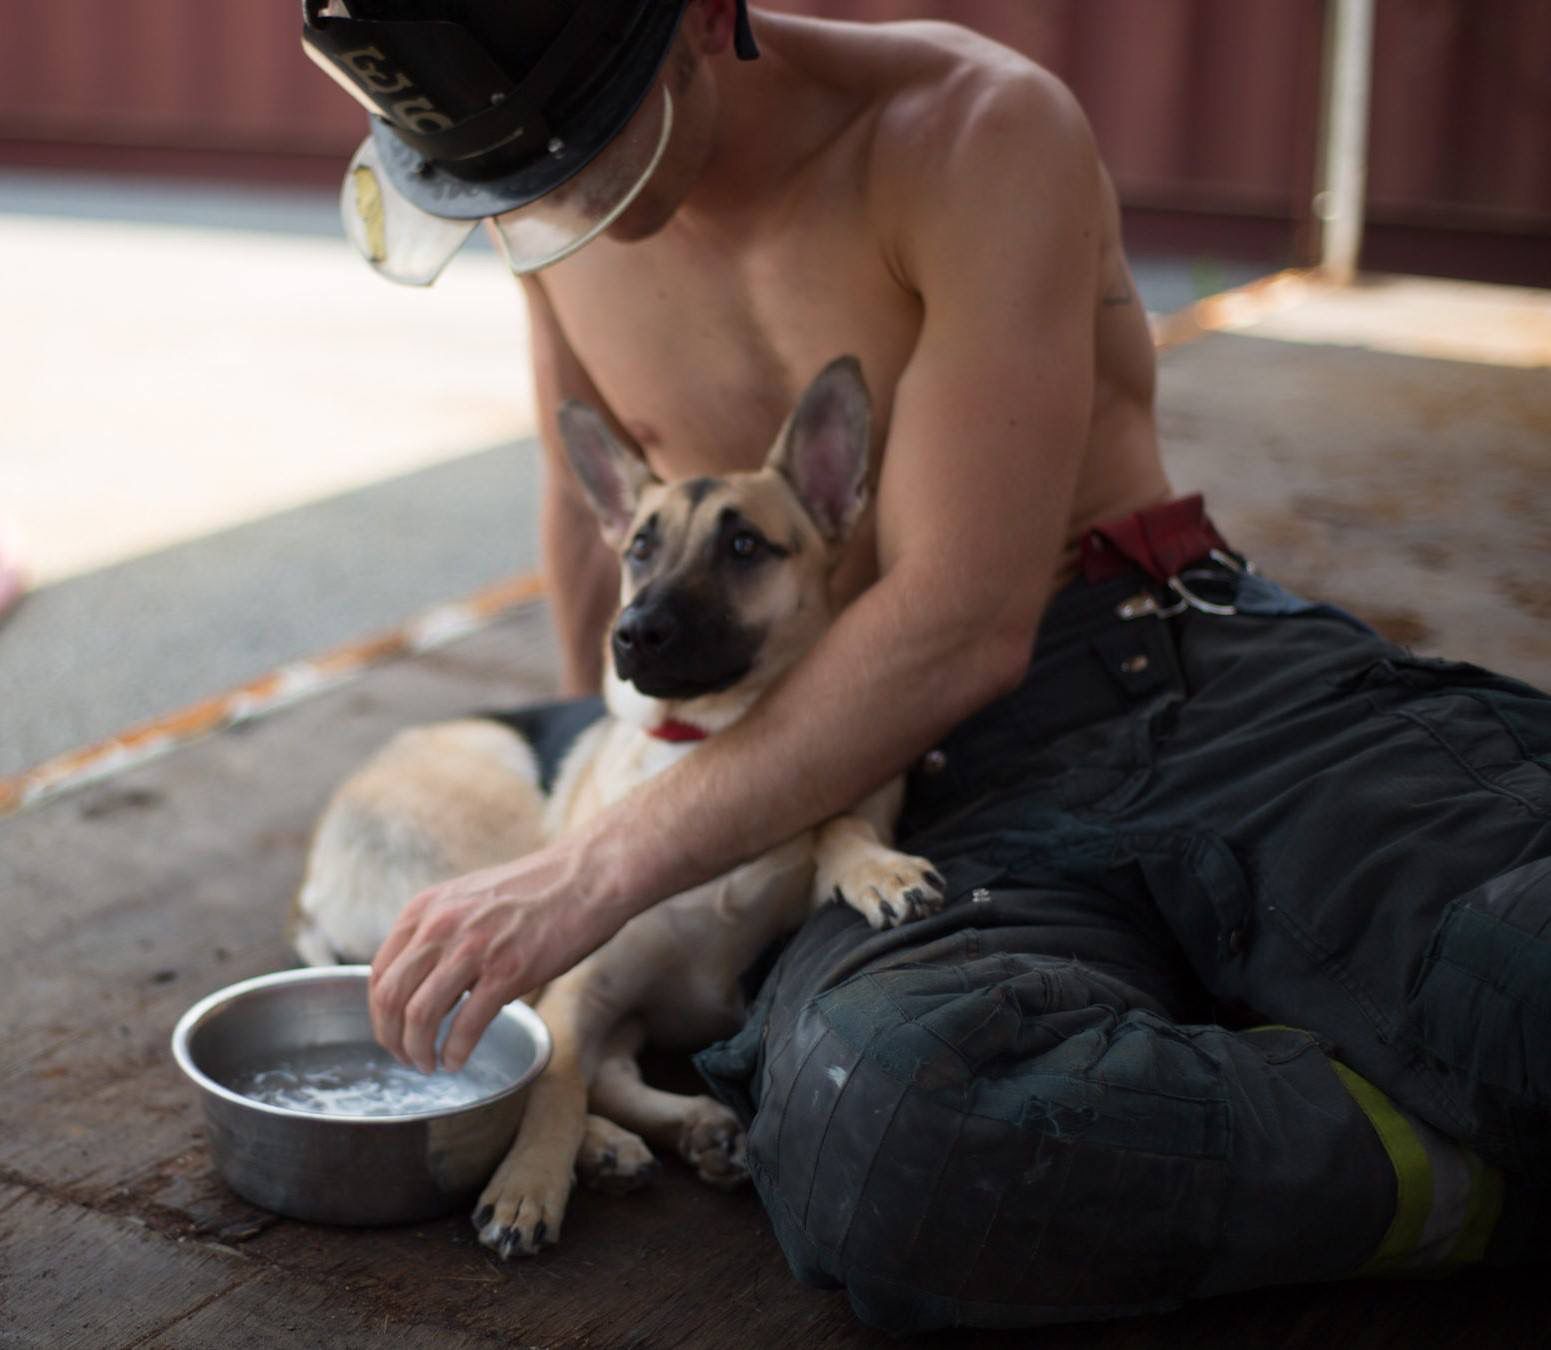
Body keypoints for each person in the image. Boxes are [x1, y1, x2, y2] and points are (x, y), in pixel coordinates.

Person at [303, 0, 1551, 1332]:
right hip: (842, 792)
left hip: (1158, 671)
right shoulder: (542, 200)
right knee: (883, 1132)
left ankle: (1353, 1048)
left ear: (701, 20)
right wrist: (622, 821)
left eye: (582, 159)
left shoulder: (970, 130)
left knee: (1521, 967)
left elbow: (964, 612)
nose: (552, 204)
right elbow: (583, 494)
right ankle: (1440, 1171)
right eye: (507, 187)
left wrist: (595, 870)